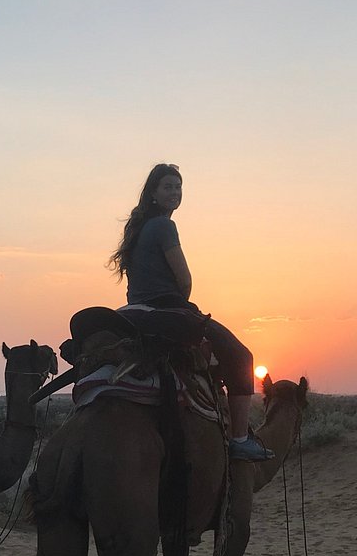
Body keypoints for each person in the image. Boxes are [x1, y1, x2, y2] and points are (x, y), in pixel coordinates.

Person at [107, 163, 272, 460]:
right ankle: (239, 438)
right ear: (153, 193)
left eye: (178, 187)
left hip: (133, 311)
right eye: (168, 186)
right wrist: (182, 302)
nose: (175, 192)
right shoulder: (164, 226)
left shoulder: (138, 229)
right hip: (165, 310)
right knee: (242, 356)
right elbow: (184, 280)